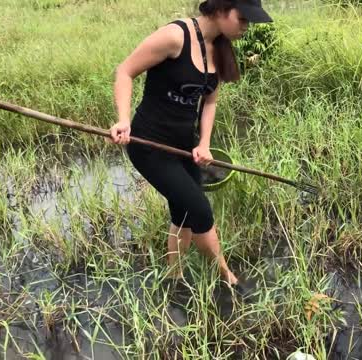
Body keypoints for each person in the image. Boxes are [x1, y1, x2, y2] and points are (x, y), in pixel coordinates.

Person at [109, 0, 272, 292]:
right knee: (200, 211)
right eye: (243, 18)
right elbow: (124, 71)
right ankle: (227, 278)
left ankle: (174, 278)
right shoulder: (175, 37)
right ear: (222, 9)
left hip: (184, 146)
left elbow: (210, 100)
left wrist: (205, 143)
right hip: (149, 146)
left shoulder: (219, 48)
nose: (246, 26)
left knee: (182, 211)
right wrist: (123, 120)